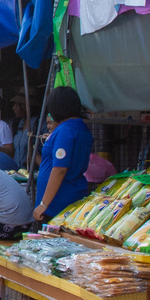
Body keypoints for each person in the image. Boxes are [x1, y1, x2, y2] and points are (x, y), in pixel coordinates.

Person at [32, 86, 93, 223]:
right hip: (68, 197)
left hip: (57, 204)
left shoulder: (66, 129)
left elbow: (60, 168)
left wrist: (44, 204)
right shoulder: (80, 127)